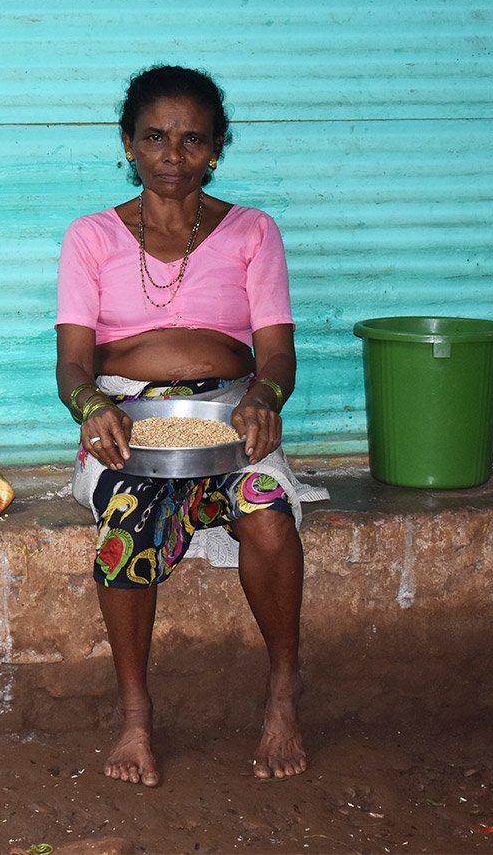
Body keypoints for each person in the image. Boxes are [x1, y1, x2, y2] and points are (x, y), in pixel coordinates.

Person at [54, 64, 311, 785]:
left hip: (231, 413)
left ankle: (284, 692)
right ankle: (135, 716)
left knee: (264, 512)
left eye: (194, 139)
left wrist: (265, 397)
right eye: (156, 137)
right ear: (128, 145)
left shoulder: (253, 231)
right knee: (126, 528)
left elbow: (279, 352)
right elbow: (72, 364)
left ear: (218, 147)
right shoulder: (92, 237)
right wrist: (92, 408)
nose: (174, 155)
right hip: (127, 417)